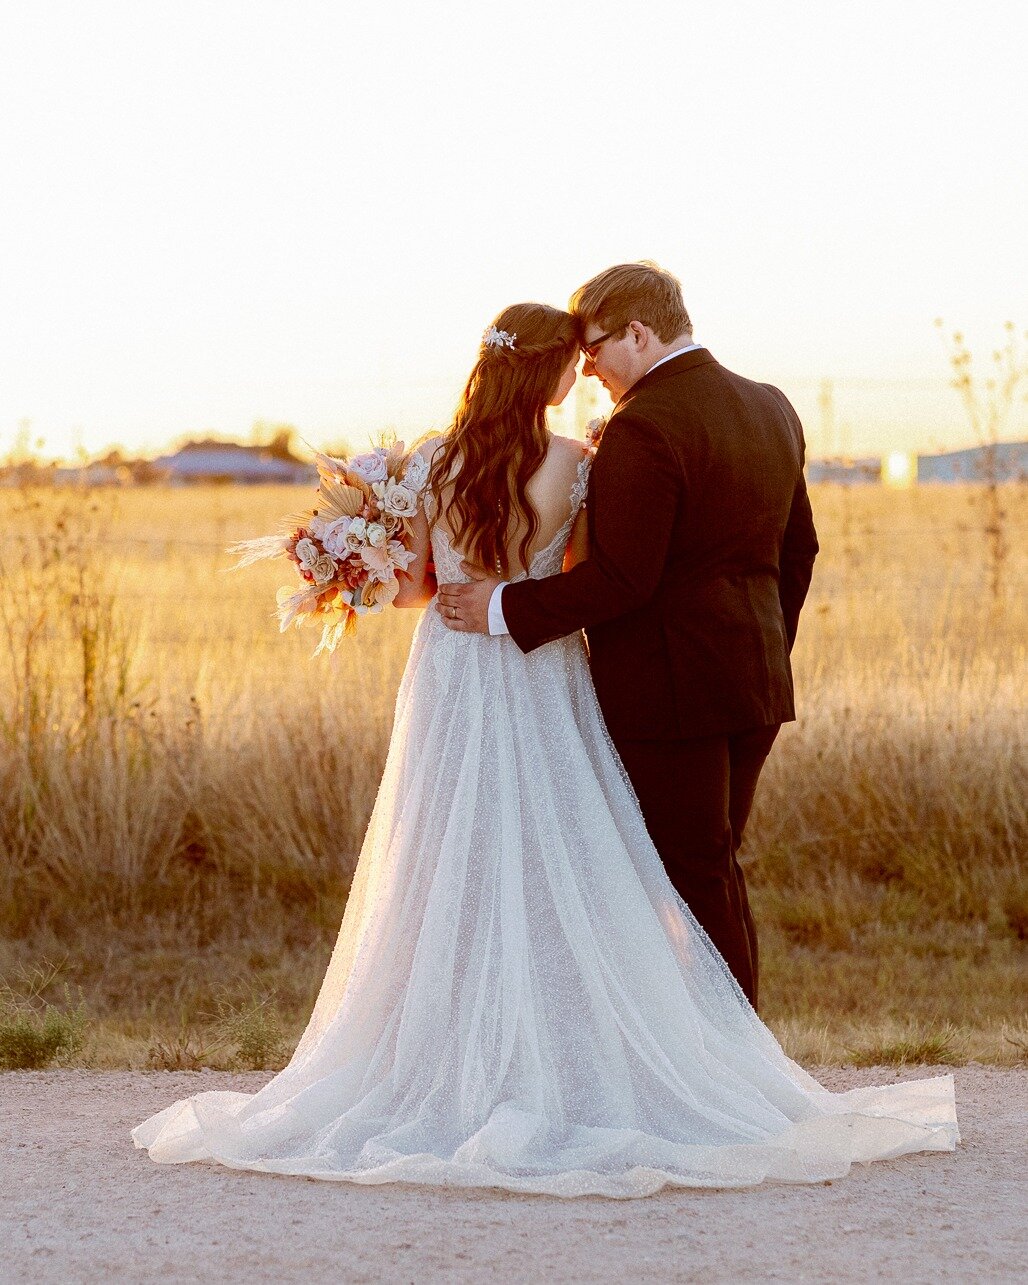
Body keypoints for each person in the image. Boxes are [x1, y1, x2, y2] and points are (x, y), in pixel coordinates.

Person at [132, 300, 957, 1197]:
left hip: (452, 671)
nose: (584, 373)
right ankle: (590, 1051)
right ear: (551, 374)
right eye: (573, 361)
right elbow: (600, 578)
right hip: (542, 670)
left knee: (448, 856)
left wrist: (357, 562)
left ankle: (452, 1047)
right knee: (571, 853)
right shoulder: (580, 464)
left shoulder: (429, 462)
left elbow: (413, 587)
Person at [437, 262, 819, 1010]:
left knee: (692, 876)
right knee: (712, 868)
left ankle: (730, 1072)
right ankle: (733, 1060)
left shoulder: (643, 427)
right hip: (756, 685)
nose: (587, 369)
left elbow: (621, 580)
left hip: (670, 695)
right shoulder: (770, 405)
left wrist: (501, 608)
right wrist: (766, 647)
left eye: (596, 349)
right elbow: (797, 551)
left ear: (639, 334)